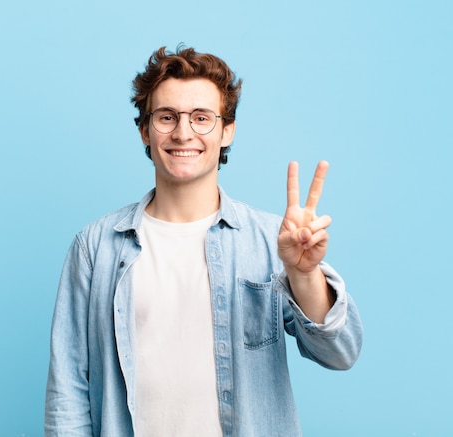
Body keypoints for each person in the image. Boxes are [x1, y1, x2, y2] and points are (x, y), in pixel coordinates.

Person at [45, 45, 363, 437]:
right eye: (166, 117)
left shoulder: (272, 240)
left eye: (201, 118)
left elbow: (341, 353)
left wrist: (304, 275)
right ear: (145, 129)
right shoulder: (96, 248)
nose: (183, 133)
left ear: (227, 129)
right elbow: (68, 392)